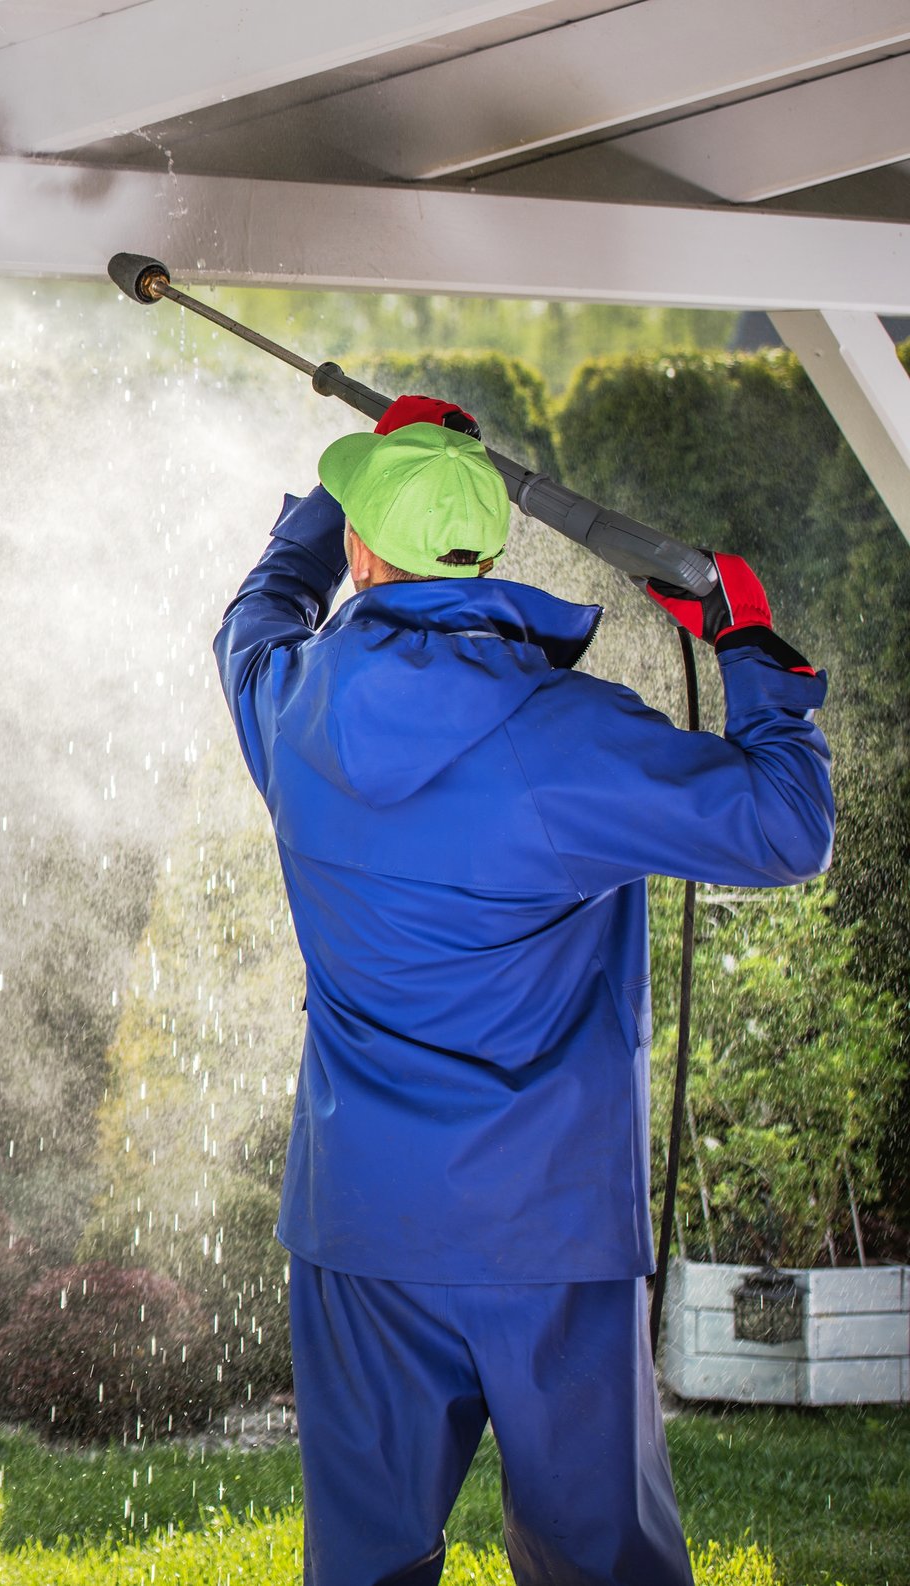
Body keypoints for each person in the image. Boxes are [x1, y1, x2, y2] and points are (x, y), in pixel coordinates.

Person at [213, 395, 834, 1586]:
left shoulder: (291, 710)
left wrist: (349, 484)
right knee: (601, 1566)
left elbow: (258, 610)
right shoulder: (573, 737)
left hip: (362, 1226)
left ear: (361, 552)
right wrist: (750, 646)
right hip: (549, 1232)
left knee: (367, 1568)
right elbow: (787, 823)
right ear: (487, 552)